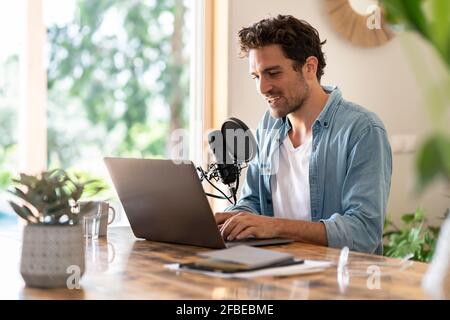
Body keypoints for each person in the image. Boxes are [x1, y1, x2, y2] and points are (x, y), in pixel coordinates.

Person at [215, 15, 392, 254]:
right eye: (256, 76)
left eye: (273, 73)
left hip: (338, 284)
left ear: (310, 67)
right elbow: (253, 200)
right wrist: (228, 221)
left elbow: (363, 233)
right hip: (275, 276)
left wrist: (275, 227)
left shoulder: (363, 130)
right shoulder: (270, 125)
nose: (262, 88)